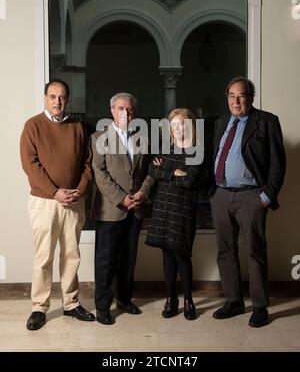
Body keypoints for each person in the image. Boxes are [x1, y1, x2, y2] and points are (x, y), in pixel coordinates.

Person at [210, 77, 286, 327]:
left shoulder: (266, 121)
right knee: (225, 251)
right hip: (221, 195)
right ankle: (233, 301)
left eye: (241, 95)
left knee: (255, 252)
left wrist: (265, 197)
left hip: (250, 196)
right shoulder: (222, 122)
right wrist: (213, 191)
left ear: (251, 97)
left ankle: (260, 307)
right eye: (231, 95)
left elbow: (277, 163)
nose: (236, 100)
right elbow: (216, 154)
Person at [20, 79, 95, 331]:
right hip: (44, 202)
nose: (57, 102)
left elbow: (87, 163)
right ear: (44, 98)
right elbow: (30, 165)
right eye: (53, 96)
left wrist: (80, 190)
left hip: (73, 200)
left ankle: (71, 303)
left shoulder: (77, 127)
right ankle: (39, 307)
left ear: (68, 99)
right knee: (43, 256)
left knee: (71, 255)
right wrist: (54, 192)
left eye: (62, 97)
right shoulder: (33, 126)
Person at [91, 92, 153, 325]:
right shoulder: (98, 138)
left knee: (128, 258)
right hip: (110, 209)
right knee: (106, 260)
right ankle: (103, 306)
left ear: (133, 113)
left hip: (135, 208)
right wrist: (121, 198)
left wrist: (142, 193)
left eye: (129, 109)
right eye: (120, 108)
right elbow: (100, 174)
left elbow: (149, 172)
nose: (125, 112)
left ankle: (125, 300)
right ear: (112, 111)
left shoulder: (143, 138)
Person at [145, 108, 204, 320]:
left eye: (183, 124)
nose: (179, 128)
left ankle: (188, 300)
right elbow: (152, 171)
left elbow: (189, 181)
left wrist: (165, 172)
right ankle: (171, 299)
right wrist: (173, 172)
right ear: (170, 129)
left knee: (182, 255)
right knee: (167, 255)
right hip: (163, 207)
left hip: (183, 209)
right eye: (175, 125)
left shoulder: (198, 151)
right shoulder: (165, 149)